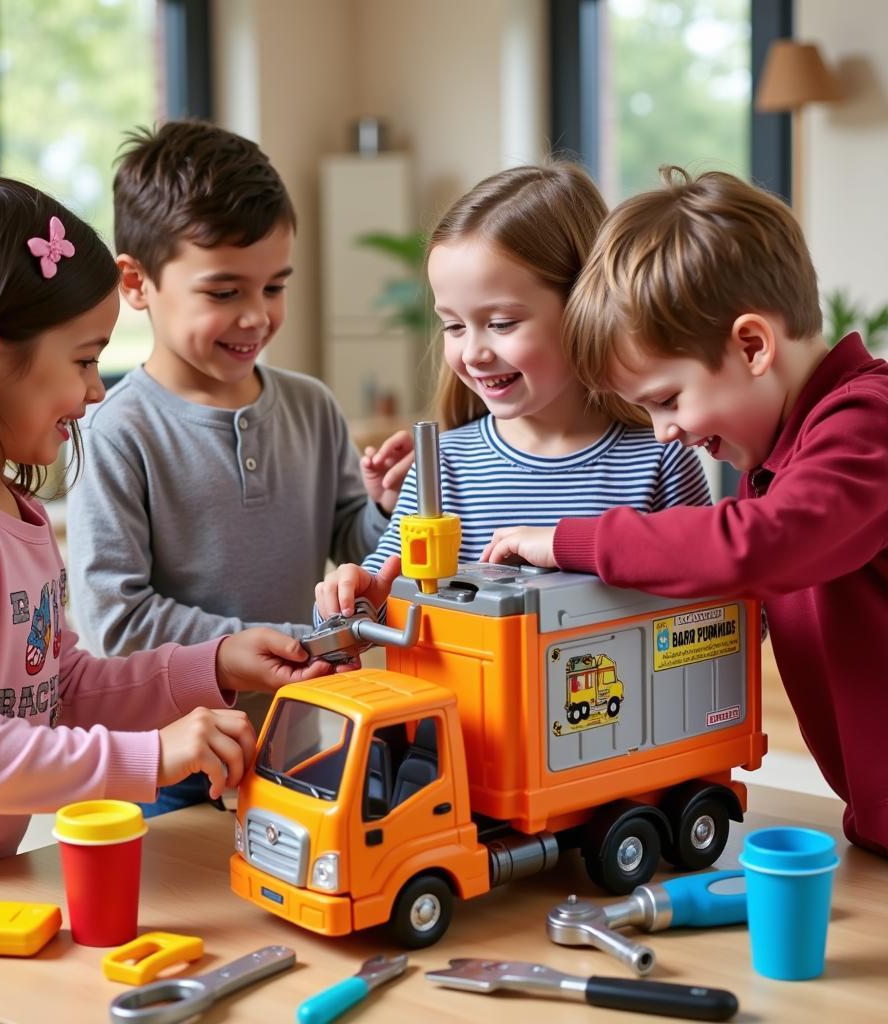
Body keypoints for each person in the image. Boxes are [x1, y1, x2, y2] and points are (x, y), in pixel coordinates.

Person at [0, 174, 330, 901]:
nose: (96, 390)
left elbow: (63, 687)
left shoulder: (7, 511)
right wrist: (153, 755)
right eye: (84, 360)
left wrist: (213, 663)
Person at [481, 167, 888, 856]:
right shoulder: (773, 460)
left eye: (668, 399)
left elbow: (755, 547)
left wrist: (567, 542)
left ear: (753, 346)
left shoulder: (867, 422)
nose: (664, 429)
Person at [66, 120, 390, 815]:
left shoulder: (311, 405)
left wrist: (385, 508)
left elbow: (355, 545)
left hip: (308, 737)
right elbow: (115, 622)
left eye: (274, 287)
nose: (257, 316)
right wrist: (237, 647)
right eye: (224, 293)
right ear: (137, 283)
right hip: (180, 754)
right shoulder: (114, 432)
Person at [315, 163, 710, 620]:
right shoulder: (442, 468)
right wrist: (348, 598)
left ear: (584, 306)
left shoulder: (661, 459)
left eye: (501, 324)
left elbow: (726, 616)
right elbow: (379, 606)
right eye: (454, 326)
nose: (474, 353)